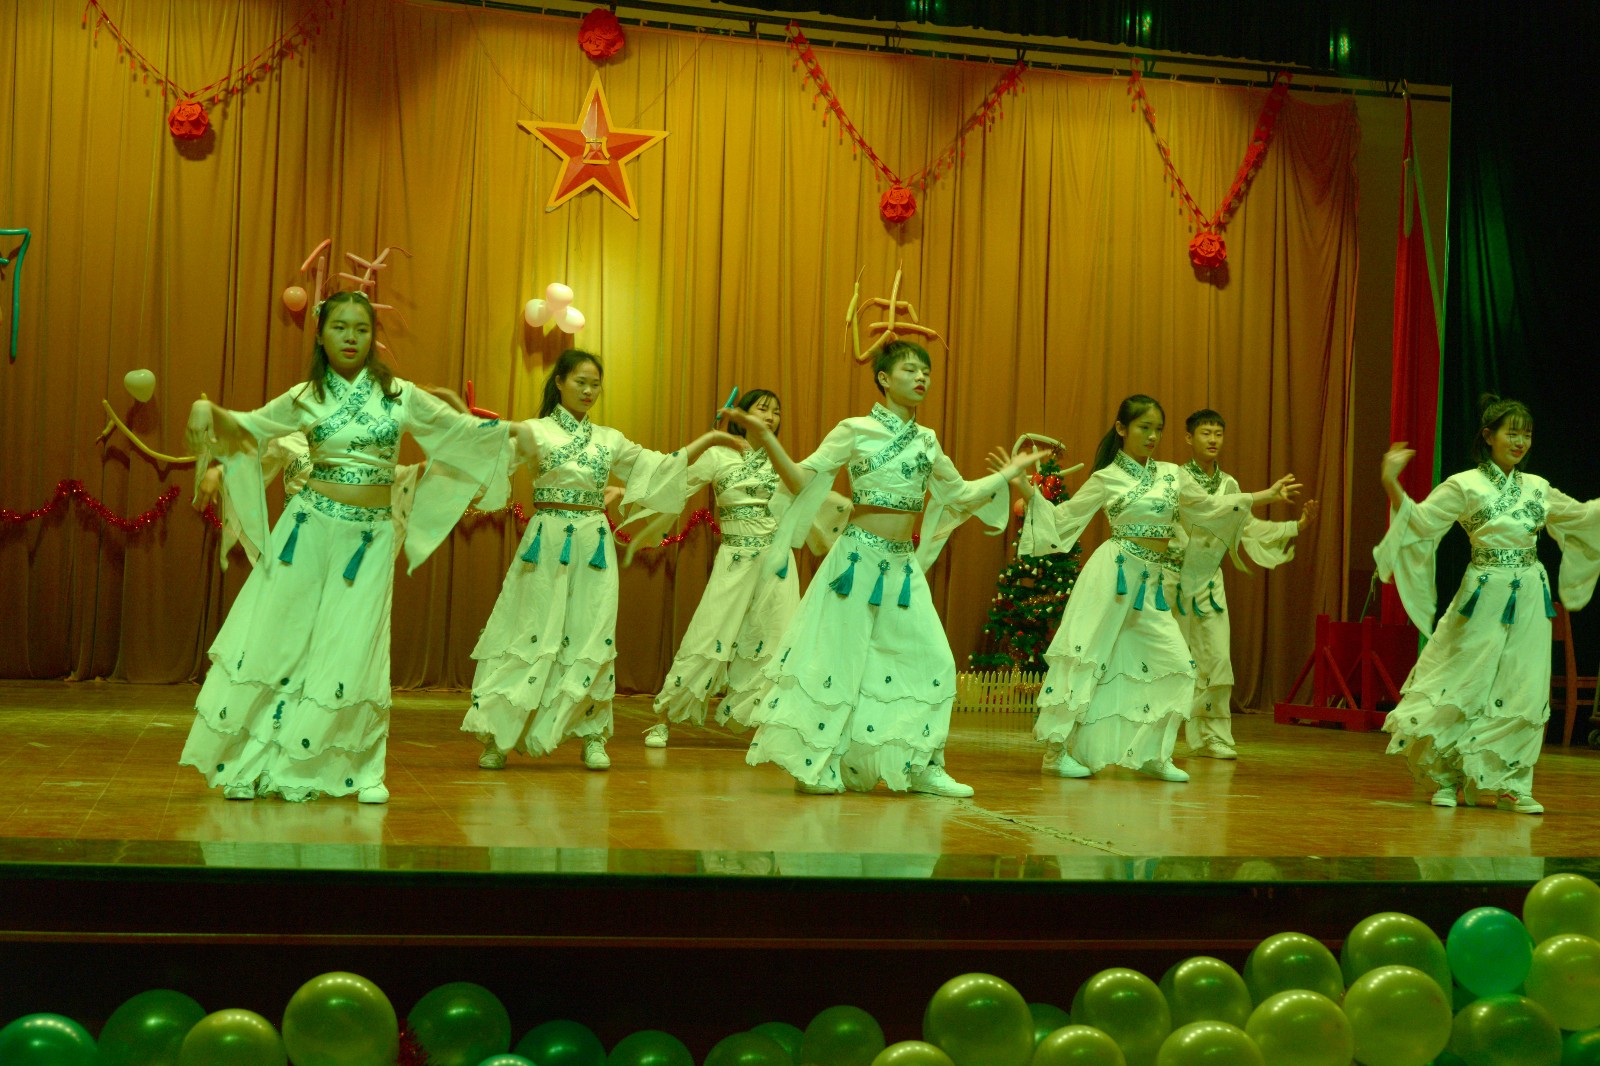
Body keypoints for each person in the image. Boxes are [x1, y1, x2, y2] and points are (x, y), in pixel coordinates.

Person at [180, 289, 524, 803]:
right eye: (340, 327)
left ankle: (359, 768)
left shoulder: (400, 394)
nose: (350, 337)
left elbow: (459, 431)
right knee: (285, 637)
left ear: (372, 338)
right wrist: (203, 407)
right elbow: (249, 427)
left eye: (361, 329)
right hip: (308, 528)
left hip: (369, 536)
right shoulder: (305, 396)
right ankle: (252, 762)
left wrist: (517, 433)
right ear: (321, 334)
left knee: (356, 642)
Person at [720, 340, 1048, 797]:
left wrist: (1010, 473)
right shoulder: (854, 429)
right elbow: (799, 479)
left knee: (933, 659)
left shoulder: (927, 440)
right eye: (910, 370)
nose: (921, 378)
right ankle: (816, 762)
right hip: (855, 562)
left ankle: (921, 763)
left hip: (901, 568)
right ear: (884, 378)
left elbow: (960, 495)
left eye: (926, 372)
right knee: (837, 660)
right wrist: (765, 435)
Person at [463, 349, 744, 771]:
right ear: (559, 382)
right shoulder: (535, 431)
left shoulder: (609, 439)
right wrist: (477, 435)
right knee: (528, 626)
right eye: (581, 382)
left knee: (592, 632)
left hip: (593, 543)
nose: (589, 391)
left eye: (595, 384)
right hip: (546, 541)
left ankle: (592, 734)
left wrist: (710, 440)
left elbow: (659, 468)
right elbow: (493, 461)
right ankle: (498, 735)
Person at [1010, 395, 1299, 782]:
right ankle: (1056, 751)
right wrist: (1027, 490)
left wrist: (1264, 496)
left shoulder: (1170, 474)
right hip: (1113, 576)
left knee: (1176, 664)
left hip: (1151, 584)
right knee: (1087, 657)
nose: (1152, 436)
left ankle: (1150, 753)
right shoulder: (1106, 478)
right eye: (1144, 428)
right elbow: (1064, 520)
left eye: (1158, 429)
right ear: (1122, 428)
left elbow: (1207, 506)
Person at [1377, 395, 1600, 814]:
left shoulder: (1537, 487)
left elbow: (1584, 517)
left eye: (1526, 434)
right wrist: (1391, 481)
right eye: (1511, 433)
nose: (1520, 442)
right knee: (1464, 678)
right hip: (1482, 592)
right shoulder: (1464, 484)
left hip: (1529, 593)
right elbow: (1421, 522)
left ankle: (1511, 783)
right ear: (1488, 436)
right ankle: (1448, 776)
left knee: (1523, 683)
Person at [646, 389, 801, 746]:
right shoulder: (718, 455)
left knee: (774, 637)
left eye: (777, 411)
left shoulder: (779, 460)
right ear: (741, 415)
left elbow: (804, 495)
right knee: (708, 632)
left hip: (776, 562)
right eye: (763, 409)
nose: (771, 417)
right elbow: (676, 484)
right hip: (735, 558)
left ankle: (763, 722)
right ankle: (665, 716)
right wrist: (630, 492)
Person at [1166, 409, 1318, 759]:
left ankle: (1212, 736)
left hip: (1208, 583)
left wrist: (1295, 527)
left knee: (1218, 659)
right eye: (1205, 433)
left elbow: (1247, 528)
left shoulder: (1230, 485)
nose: (1213, 439)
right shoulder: (1176, 479)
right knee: (1168, 659)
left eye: (1218, 433)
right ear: (1189, 438)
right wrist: (1264, 495)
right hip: (1173, 579)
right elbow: (1206, 508)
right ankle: (1152, 736)